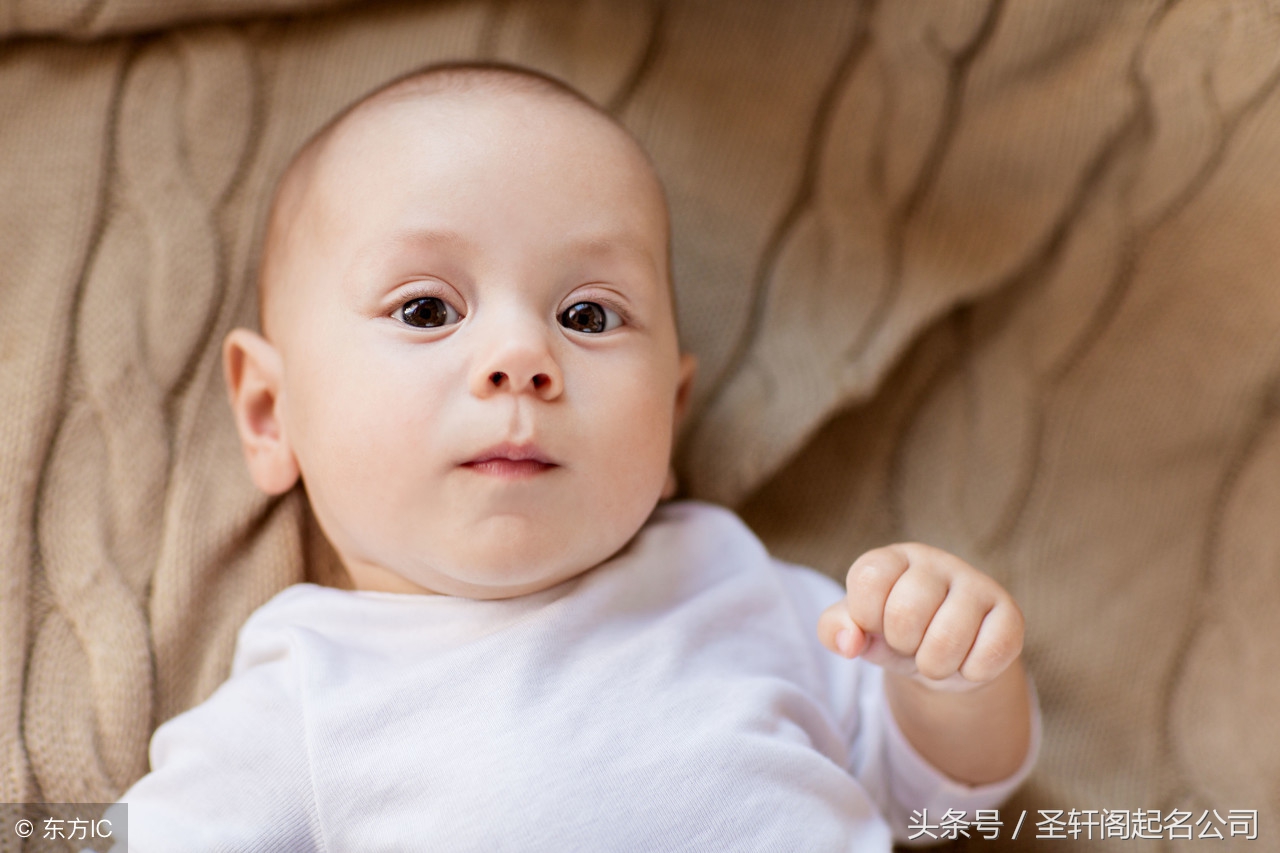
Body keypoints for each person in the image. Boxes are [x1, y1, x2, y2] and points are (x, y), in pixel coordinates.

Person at [106, 61, 1038, 851]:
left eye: (588, 315)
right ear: (270, 412)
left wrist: (952, 679)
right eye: (427, 309)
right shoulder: (308, 696)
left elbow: (943, 805)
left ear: (669, 418)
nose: (522, 355)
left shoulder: (738, 582)